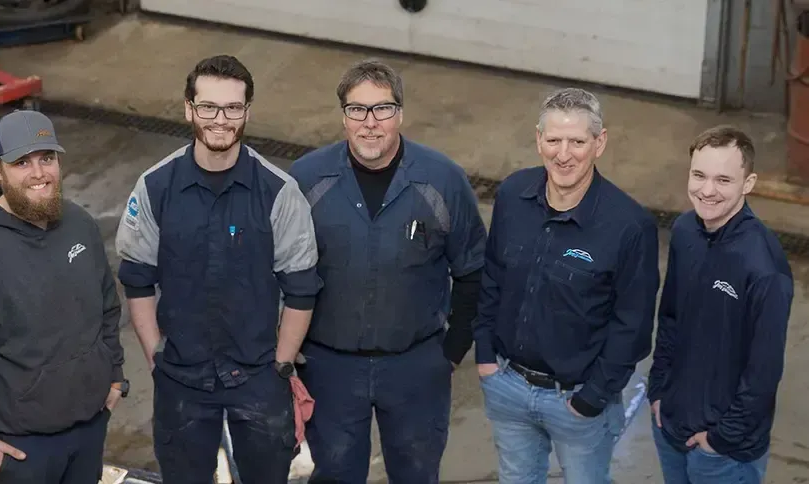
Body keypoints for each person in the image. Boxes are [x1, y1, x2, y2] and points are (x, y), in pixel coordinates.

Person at [114, 55, 322, 484]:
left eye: (232, 108)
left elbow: (301, 289)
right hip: (181, 378)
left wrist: (281, 366)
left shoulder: (278, 193)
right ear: (189, 108)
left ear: (247, 112)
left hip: (259, 377)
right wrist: (158, 358)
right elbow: (137, 281)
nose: (220, 119)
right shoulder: (155, 187)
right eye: (208, 107)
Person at [288, 58, 487, 484]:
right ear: (343, 115)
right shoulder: (305, 181)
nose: (370, 123)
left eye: (382, 109)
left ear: (401, 113)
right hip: (329, 369)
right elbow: (276, 271)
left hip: (416, 367)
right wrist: (287, 353)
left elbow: (474, 271)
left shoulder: (442, 180)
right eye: (357, 110)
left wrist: (450, 352)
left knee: (416, 474)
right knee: (336, 474)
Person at [0, 110, 127, 484]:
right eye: (22, 162)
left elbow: (107, 307)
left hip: (89, 429)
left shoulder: (79, 224)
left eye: (46, 158)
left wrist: (114, 375)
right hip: (21, 452)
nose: (39, 174)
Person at [473, 87, 661, 483]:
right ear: (538, 140)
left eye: (577, 141)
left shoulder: (628, 226)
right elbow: (492, 278)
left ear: (599, 143)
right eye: (554, 140)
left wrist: (592, 397)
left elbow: (633, 326)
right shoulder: (512, 195)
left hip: (576, 402)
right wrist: (487, 357)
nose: (564, 154)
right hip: (507, 383)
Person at [647, 125, 793, 484]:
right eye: (699, 175)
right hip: (671, 426)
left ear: (749, 183)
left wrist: (720, 439)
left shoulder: (764, 266)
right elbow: (670, 318)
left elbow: (763, 372)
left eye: (724, 180)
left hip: (724, 455)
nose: (707, 191)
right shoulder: (684, 232)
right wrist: (658, 391)